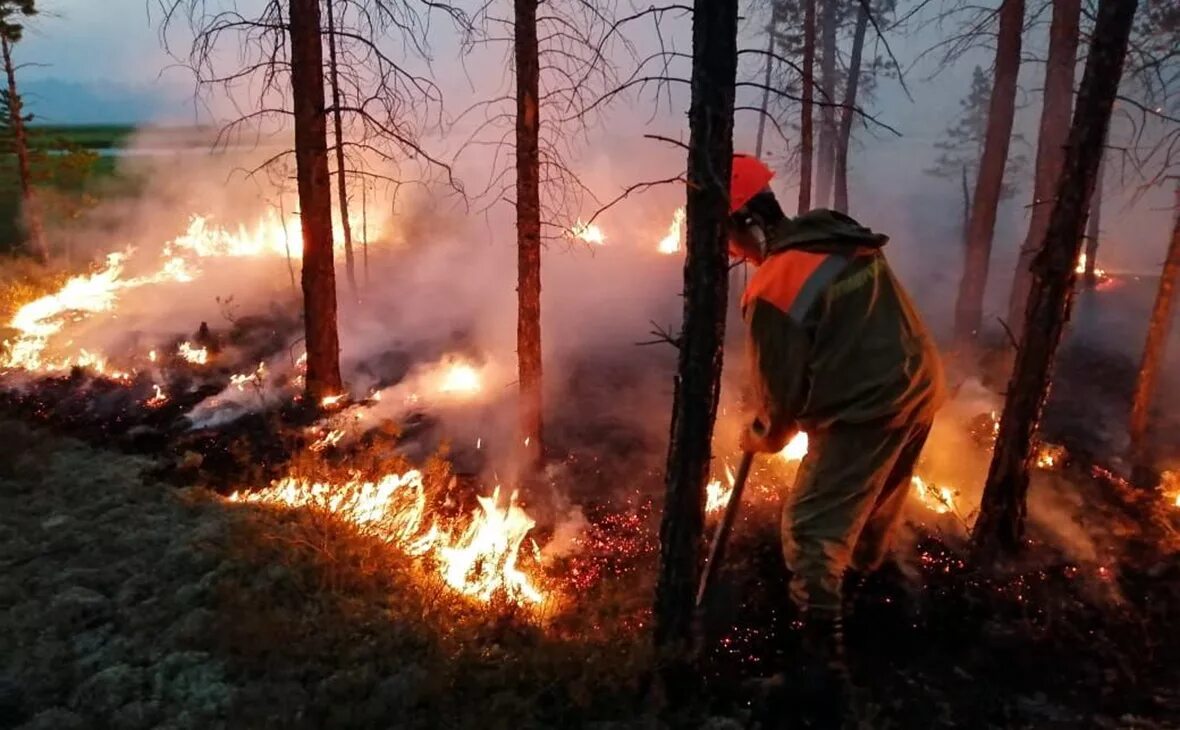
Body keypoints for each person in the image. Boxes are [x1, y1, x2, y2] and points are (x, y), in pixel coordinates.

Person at [728, 153, 946, 726]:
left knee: (810, 530)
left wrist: (758, 437)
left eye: (730, 238)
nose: (736, 255)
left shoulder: (772, 288)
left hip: (866, 406)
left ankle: (824, 679)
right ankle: (863, 609)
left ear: (747, 224)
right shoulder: (832, 231)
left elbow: (780, 408)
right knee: (871, 512)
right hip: (918, 385)